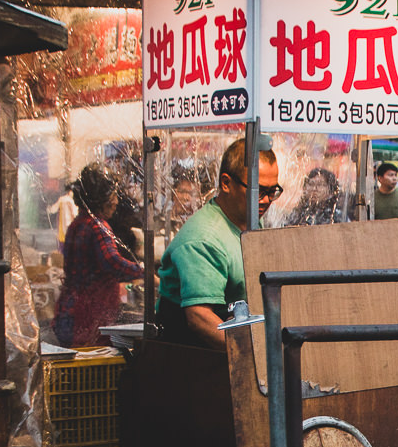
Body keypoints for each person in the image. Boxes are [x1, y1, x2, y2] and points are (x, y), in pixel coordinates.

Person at [156, 138, 280, 350]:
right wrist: (254, 355)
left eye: (272, 191)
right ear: (226, 183)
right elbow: (199, 317)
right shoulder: (204, 239)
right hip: (193, 360)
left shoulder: (249, 221)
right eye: (259, 191)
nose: (266, 200)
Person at [51, 164, 144, 347]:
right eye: (113, 195)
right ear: (102, 198)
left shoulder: (77, 224)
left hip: (69, 309)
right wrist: (144, 273)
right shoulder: (97, 226)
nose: (116, 202)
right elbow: (113, 262)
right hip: (89, 314)